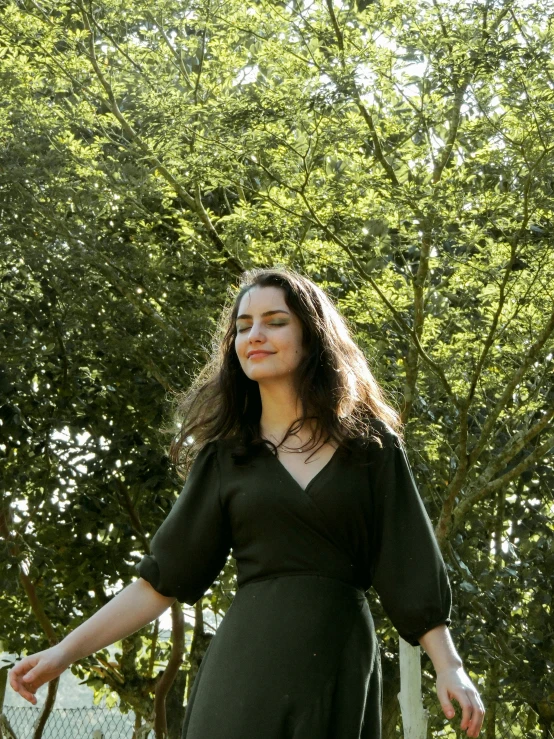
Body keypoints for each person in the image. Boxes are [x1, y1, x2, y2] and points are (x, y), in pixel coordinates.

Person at [9, 267, 485, 738]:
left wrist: (450, 667)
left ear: (313, 337)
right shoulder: (226, 456)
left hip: (338, 661)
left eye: (275, 321)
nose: (255, 335)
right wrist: (60, 655)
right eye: (243, 326)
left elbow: (411, 565)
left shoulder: (371, 447)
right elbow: (160, 582)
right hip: (244, 669)